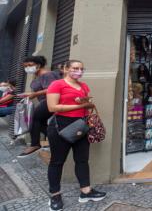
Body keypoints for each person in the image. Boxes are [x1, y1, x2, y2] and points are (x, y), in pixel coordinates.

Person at [46, 60, 106, 211]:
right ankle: (55, 194)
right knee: (57, 161)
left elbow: (84, 105)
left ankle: (85, 191)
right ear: (66, 69)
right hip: (61, 125)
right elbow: (52, 107)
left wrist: (87, 104)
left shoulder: (84, 86)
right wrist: (81, 105)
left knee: (82, 160)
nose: (78, 71)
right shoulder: (57, 84)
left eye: (81, 69)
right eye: (74, 68)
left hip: (80, 125)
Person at [18, 56, 61, 157]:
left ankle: (35, 144)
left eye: (30, 65)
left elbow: (51, 89)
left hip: (51, 100)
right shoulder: (37, 76)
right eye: (25, 66)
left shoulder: (47, 74)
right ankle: (56, 138)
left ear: (38, 65)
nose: (27, 68)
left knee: (34, 119)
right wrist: (28, 94)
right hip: (44, 101)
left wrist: (34, 94)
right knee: (40, 124)